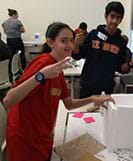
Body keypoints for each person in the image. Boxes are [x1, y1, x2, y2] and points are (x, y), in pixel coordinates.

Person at [2, 22, 113, 161]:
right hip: (25, 140)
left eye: (71, 41)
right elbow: (8, 100)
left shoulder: (57, 69)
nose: (69, 45)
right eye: (63, 41)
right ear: (50, 42)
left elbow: (69, 104)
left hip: (42, 137)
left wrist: (93, 99)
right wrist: (41, 75)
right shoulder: (42, 64)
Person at [72, 1, 133, 98]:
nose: (114, 21)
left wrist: (131, 63)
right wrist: (76, 44)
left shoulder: (121, 42)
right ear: (106, 16)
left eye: (118, 18)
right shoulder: (93, 34)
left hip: (107, 88)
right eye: (112, 16)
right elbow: (78, 55)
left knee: (106, 113)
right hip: (87, 85)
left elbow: (120, 68)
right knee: (86, 112)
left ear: (121, 20)